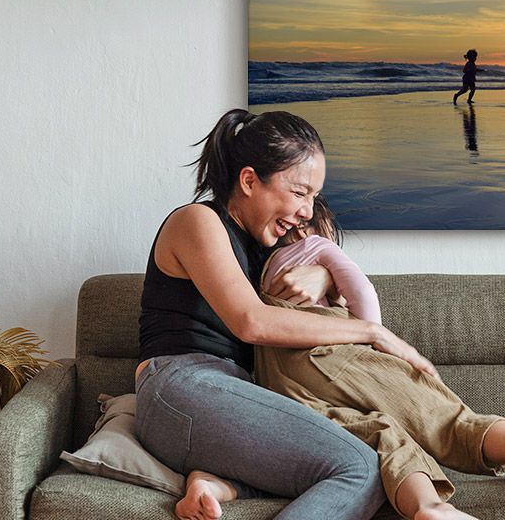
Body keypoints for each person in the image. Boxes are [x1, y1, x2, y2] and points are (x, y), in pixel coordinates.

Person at [242, 198, 505, 520]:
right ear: (311, 228)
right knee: (451, 421)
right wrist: (374, 340)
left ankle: (428, 506)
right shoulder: (317, 246)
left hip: (280, 379)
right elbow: (364, 292)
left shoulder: (256, 274)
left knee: (380, 433)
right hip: (331, 354)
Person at [135, 109, 438, 520]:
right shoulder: (197, 222)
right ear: (248, 180)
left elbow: (317, 300)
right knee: (359, 467)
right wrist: (372, 332)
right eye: (299, 193)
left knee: (367, 455)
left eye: (313, 197)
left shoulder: (267, 249)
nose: (308, 211)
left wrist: (325, 274)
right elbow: (252, 321)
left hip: (238, 394)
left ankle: (210, 483)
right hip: (180, 385)